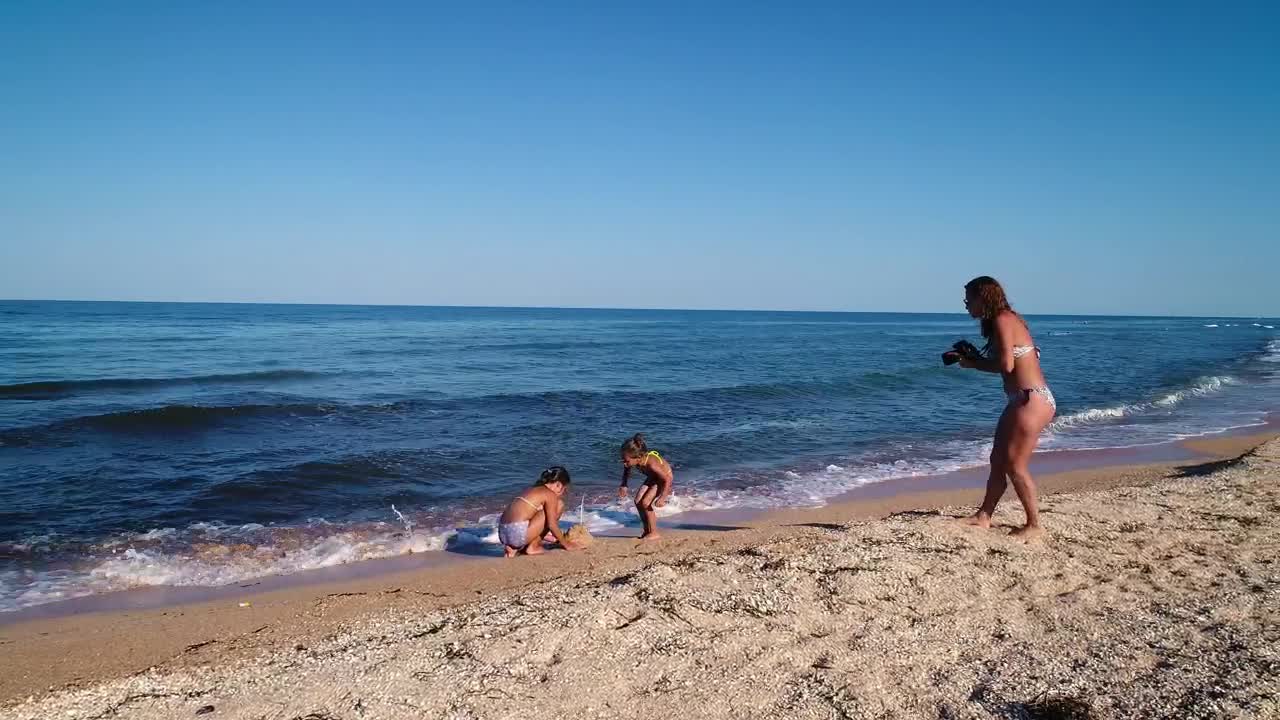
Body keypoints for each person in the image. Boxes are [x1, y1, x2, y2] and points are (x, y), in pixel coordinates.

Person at [956, 276, 1057, 540]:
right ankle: (984, 516)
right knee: (997, 460)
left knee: (1015, 465)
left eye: (969, 299)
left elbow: (1006, 366)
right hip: (1025, 399)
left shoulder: (1002, 319)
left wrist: (973, 364)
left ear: (983, 297)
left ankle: (1034, 524)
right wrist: (976, 359)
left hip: (1030, 400)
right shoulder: (1007, 320)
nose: (966, 304)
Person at [497, 466, 581, 557]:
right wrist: (566, 544)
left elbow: (531, 521)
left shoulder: (532, 490)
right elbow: (551, 525)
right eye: (564, 490)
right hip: (517, 534)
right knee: (559, 505)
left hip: (503, 534)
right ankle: (533, 547)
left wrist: (553, 538)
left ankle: (514, 547)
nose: (562, 494)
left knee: (545, 511)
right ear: (558, 485)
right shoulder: (549, 494)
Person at [616, 433, 674, 541]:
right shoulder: (633, 462)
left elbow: (667, 478)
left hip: (663, 478)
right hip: (653, 477)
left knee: (646, 503)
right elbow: (626, 471)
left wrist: (663, 497)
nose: (624, 464)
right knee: (637, 501)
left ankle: (654, 532)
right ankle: (647, 530)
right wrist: (624, 485)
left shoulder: (651, 464)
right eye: (623, 460)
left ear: (638, 457)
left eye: (626, 461)